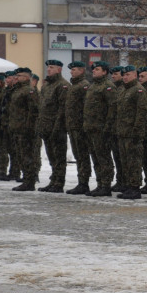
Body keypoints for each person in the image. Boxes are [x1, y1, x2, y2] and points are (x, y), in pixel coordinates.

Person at [114, 65, 147, 200]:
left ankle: (135, 188)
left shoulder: (138, 90)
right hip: (123, 132)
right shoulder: (123, 90)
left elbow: (141, 112)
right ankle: (128, 186)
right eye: (124, 75)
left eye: (128, 74)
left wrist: (137, 131)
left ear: (135, 75)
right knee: (125, 161)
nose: (125, 77)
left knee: (134, 161)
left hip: (132, 133)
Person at [84, 62, 116, 197]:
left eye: (97, 69)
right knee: (96, 158)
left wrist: (107, 127)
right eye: (93, 70)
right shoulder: (93, 86)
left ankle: (106, 185)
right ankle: (100, 183)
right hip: (91, 128)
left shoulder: (108, 86)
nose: (94, 72)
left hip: (101, 128)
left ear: (104, 72)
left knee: (104, 158)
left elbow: (112, 108)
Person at [38, 59, 70, 192]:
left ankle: (59, 182)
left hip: (57, 127)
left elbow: (62, 109)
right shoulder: (46, 86)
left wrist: (57, 128)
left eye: (52, 67)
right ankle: (53, 180)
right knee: (52, 156)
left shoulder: (62, 85)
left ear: (59, 69)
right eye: (48, 67)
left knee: (59, 157)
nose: (49, 69)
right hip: (46, 127)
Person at [8, 67, 41, 192]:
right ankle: (26, 178)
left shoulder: (29, 91)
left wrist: (29, 127)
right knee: (21, 155)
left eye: (20, 76)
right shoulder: (17, 90)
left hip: (26, 129)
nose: (17, 78)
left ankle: (29, 181)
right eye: (16, 76)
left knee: (27, 156)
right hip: (17, 128)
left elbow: (33, 111)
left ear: (27, 77)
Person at [64, 62, 92, 195]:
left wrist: (83, 124)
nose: (71, 72)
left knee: (82, 155)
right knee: (78, 156)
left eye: (74, 70)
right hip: (73, 126)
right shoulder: (74, 86)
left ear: (81, 71)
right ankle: (81, 181)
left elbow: (85, 108)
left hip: (80, 127)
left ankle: (84, 182)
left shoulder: (84, 86)